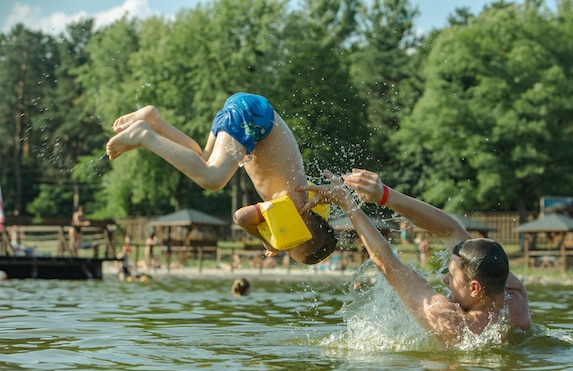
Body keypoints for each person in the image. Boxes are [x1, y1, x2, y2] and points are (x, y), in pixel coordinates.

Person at [300, 169, 531, 348]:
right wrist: (383, 196)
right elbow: (451, 231)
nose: (445, 281)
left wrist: (348, 204)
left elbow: (389, 265)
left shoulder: (451, 321)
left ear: (474, 287)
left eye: (452, 275)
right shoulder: (515, 296)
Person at [106, 92, 336, 265]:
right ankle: (144, 136)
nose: (282, 245)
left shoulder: (308, 202)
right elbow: (241, 217)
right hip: (255, 119)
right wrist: (266, 240)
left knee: (201, 161)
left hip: (255, 115)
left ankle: (153, 120)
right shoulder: (291, 211)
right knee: (214, 179)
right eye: (288, 246)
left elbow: (332, 198)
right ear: (301, 230)